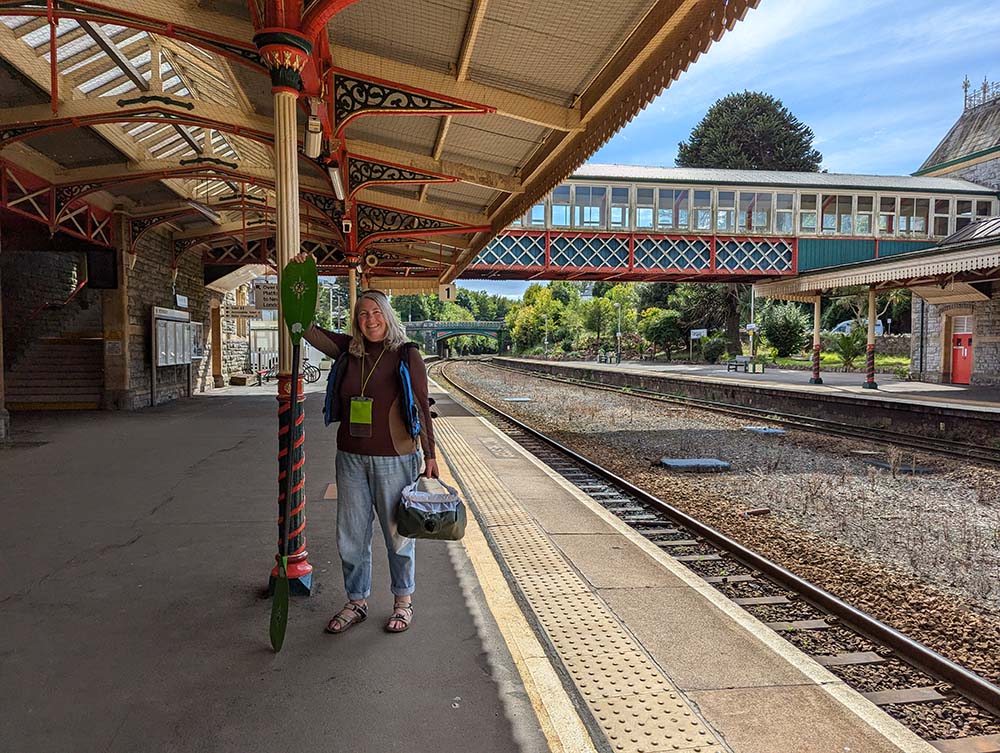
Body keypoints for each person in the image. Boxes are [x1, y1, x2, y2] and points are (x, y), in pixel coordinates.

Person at [296, 260, 437, 634]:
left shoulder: (406, 354)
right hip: (351, 458)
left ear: (387, 316)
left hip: (396, 459)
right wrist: (300, 280)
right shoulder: (348, 350)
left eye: (376, 312)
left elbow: (422, 407)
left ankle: (403, 601)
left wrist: (431, 456)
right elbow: (306, 328)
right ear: (356, 321)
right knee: (351, 535)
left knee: (398, 534)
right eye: (362, 314)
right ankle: (356, 601)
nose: (370, 319)